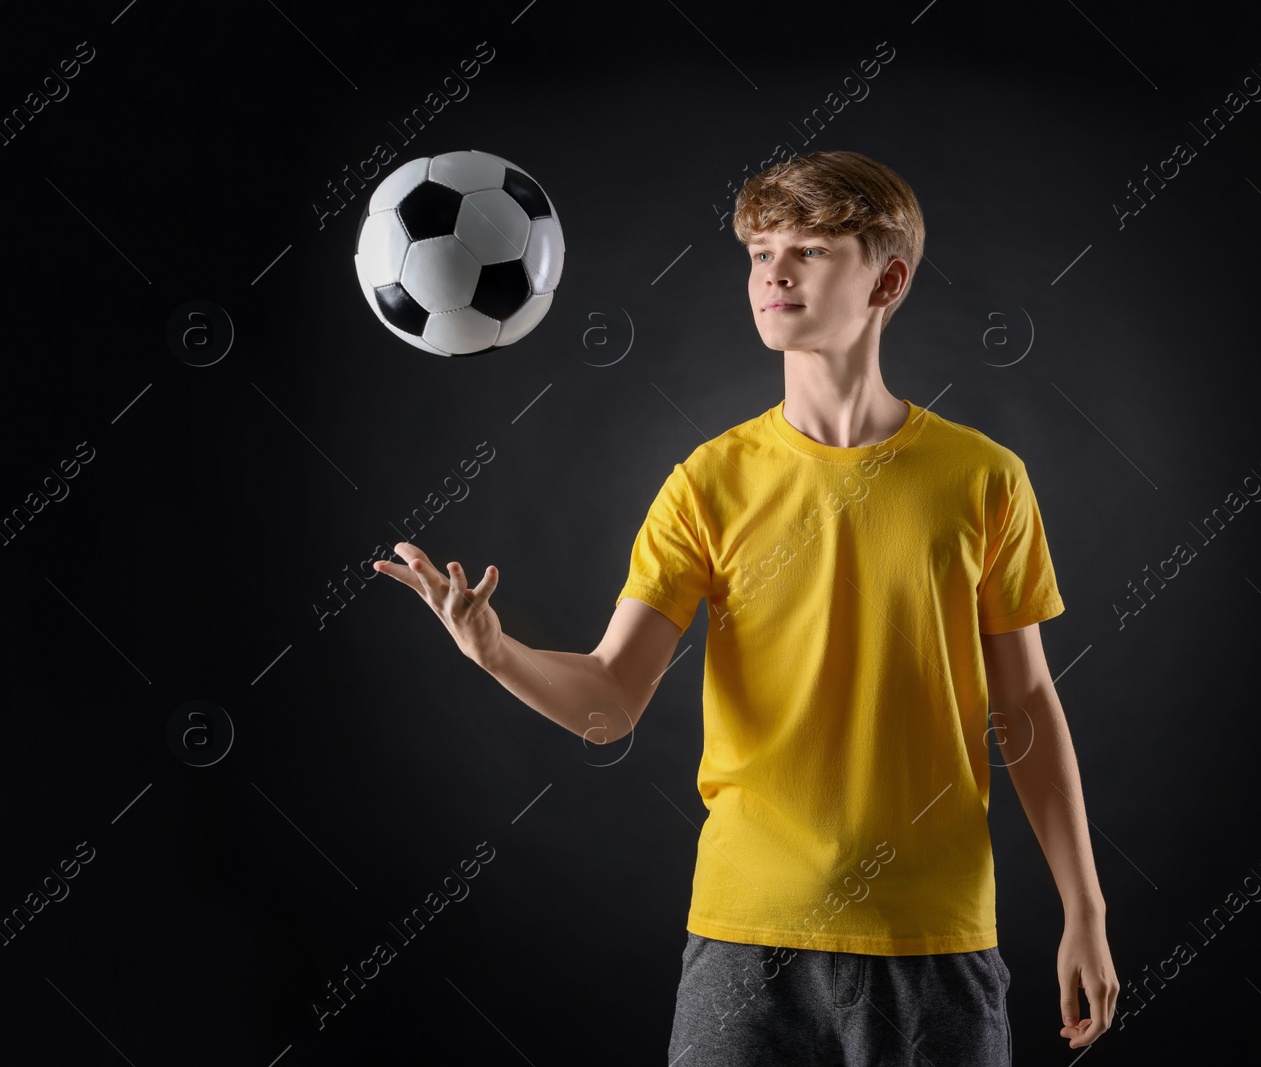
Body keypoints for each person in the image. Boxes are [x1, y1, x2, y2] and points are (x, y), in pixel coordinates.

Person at [374, 149, 1117, 1065]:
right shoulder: (707, 485)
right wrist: (497, 653)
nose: (774, 271)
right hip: (745, 946)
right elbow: (610, 701)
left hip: (936, 942)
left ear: (888, 278)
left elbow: (1028, 706)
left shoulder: (984, 479)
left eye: (809, 249)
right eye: (761, 251)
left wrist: (1085, 907)